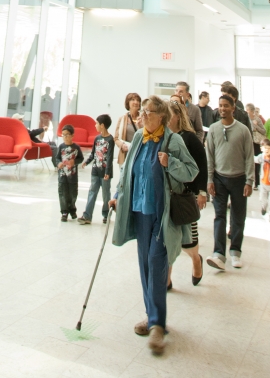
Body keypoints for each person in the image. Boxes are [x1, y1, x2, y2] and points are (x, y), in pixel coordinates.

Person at [109, 95, 198, 354]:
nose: (142, 115)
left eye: (147, 112)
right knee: (145, 265)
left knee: (158, 263)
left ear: (161, 117)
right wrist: (116, 195)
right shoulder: (138, 138)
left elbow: (191, 171)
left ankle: (158, 325)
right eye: (143, 112)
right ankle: (151, 316)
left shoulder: (173, 140)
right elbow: (127, 173)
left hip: (162, 214)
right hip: (139, 211)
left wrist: (170, 163)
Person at [206, 94, 255, 270]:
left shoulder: (243, 130)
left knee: (238, 217)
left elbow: (249, 157)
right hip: (219, 179)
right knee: (219, 216)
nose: (223, 108)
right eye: (220, 105)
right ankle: (218, 254)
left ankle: (235, 251)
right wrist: (209, 179)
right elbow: (209, 156)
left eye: (226, 105)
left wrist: (249, 181)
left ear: (233, 108)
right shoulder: (213, 129)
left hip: (239, 179)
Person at [166, 100, 207, 289]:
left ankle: (196, 260)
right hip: (167, 194)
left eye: (170, 114)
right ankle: (167, 278)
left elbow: (201, 165)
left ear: (179, 116)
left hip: (185, 195)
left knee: (189, 241)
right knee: (169, 239)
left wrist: (202, 192)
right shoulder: (164, 137)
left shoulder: (189, 138)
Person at [79, 114, 114, 225]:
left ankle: (106, 214)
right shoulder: (97, 139)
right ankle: (87, 216)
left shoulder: (110, 140)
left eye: (97, 123)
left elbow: (109, 157)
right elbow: (93, 154)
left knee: (105, 195)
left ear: (102, 125)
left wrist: (107, 172)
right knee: (92, 192)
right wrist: (86, 162)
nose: (95, 125)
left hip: (105, 173)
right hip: (95, 170)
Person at [56, 125, 84, 222]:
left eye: (67, 135)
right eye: (63, 135)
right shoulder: (61, 147)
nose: (65, 137)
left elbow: (81, 158)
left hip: (72, 176)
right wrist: (58, 163)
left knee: (73, 194)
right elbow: (57, 158)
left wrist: (74, 162)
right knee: (63, 193)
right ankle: (64, 212)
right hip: (62, 175)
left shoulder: (76, 147)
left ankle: (72, 209)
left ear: (72, 135)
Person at [115, 92, 142, 166]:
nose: (136, 102)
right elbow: (116, 138)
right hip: (126, 154)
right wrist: (122, 145)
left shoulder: (144, 118)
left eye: (138, 100)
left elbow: (147, 135)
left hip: (139, 153)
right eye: (133, 100)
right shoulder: (122, 119)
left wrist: (140, 126)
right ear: (128, 103)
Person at [246, 103, 267, 189]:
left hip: (256, 143)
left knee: (256, 162)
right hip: (248, 142)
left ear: (252, 111)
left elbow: (263, 131)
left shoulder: (257, 119)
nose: (246, 112)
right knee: (249, 161)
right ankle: (249, 180)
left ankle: (257, 182)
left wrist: (256, 126)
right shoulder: (245, 119)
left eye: (247, 110)